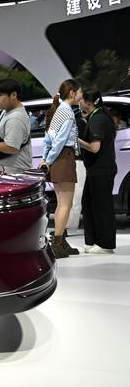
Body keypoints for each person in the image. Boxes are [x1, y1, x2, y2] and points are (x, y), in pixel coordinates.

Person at [41, 79, 82, 259]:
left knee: (61, 204)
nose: (81, 95)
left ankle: (60, 241)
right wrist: (48, 160)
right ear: (72, 93)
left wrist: (46, 158)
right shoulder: (68, 112)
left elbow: (48, 138)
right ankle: (57, 244)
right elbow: (59, 141)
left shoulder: (59, 110)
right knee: (66, 204)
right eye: (80, 92)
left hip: (58, 159)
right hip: (64, 158)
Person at [77, 89, 117, 254]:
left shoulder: (98, 119)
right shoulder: (97, 117)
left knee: (102, 207)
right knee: (89, 204)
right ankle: (94, 241)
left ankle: (105, 245)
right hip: (97, 169)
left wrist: (76, 140)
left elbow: (94, 148)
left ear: (88, 102)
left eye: (81, 99)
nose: (78, 102)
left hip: (101, 170)